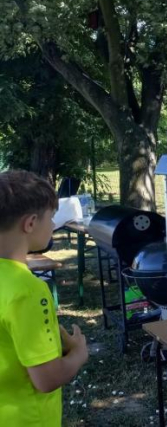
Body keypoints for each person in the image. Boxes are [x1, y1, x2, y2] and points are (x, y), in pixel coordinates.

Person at [0, 170, 89, 426]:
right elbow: (47, 379)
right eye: (51, 218)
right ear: (30, 223)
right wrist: (78, 354)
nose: (53, 225)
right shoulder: (28, 290)